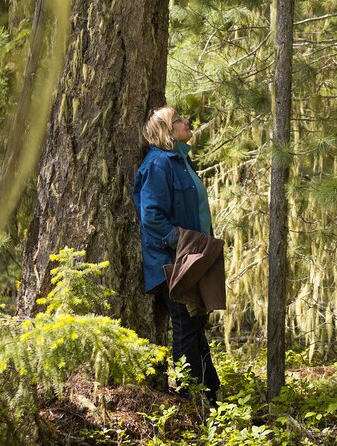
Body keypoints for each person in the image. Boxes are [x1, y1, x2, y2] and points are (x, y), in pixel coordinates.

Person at [133, 106, 220, 404]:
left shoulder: (182, 161)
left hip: (192, 259)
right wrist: (182, 243)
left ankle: (209, 395)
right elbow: (152, 216)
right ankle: (191, 398)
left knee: (195, 323)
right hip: (171, 262)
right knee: (185, 324)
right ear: (167, 130)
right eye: (179, 119)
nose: (187, 121)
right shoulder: (159, 164)